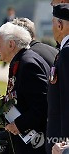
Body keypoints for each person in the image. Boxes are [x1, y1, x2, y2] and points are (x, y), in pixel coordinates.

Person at [0, 18, 58, 154]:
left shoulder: (28, 64)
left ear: (11, 44)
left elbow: (42, 106)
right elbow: (16, 101)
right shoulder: (20, 61)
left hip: (35, 144)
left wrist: (19, 125)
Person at [46, 4, 69, 154]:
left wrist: (66, 142)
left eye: (53, 23)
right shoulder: (64, 50)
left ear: (59, 25)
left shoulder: (67, 52)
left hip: (61, 140)